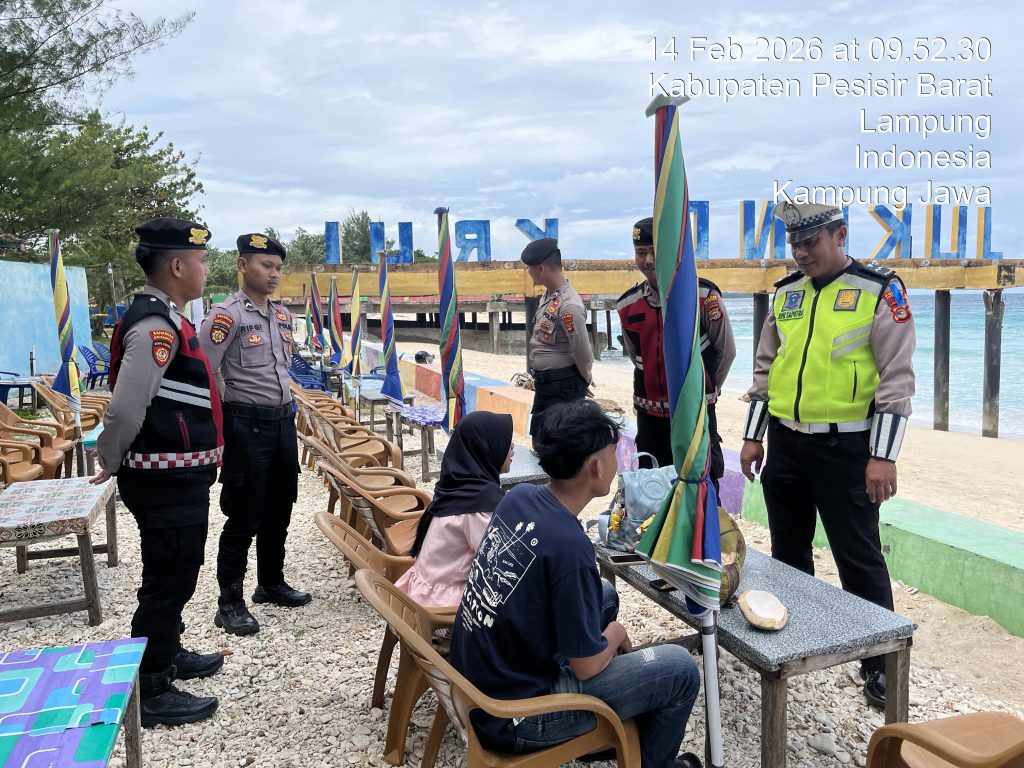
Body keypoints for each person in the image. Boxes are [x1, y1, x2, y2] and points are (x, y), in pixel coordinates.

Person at [450, 400, 702, 768]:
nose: (616, 463)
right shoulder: (571, 546)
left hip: (478, 681)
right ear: (596, 466)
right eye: (614, 454)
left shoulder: (519, 495)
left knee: (604, 595)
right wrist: (614, 634)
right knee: (680, 669)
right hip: (515, 715)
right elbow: (585, 668)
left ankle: (609, 730)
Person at [739, 201, 916, 710]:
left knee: (857, 556)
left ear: (840, 236)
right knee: (788, 552)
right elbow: (765, 372)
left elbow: (897, 381)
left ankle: (878, 663)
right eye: (794, 244)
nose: (800, 253)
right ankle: (792, 641)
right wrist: (754, 437)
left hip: (848, 448)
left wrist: (882, 457)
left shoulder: (881, 291)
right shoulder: (786, 294)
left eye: (810, 243)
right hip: (788, 444)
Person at [90, 217, 223, 727]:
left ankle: (169, 649)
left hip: (178, 476)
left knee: (176, 571)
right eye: (202, 260)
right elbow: (125, 409)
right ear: (176, 265)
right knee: (168, 577)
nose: (206, 268)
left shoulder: (169, 318)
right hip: (164, 479)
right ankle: (150, 685)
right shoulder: (155, 327)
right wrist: (109, 457)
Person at [200, 233, 309, 637]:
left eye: (279, 267)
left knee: (280, 507)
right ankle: (229, 602)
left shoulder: (282, 315)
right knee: (244, 514)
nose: (274, 274)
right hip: (246, 425)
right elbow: (204, 372)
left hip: (283, 423)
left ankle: (271, 582)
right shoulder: (226, 316)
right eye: (266, 265)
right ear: (243, 265)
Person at [616, 217, 736, 482]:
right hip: (650, 418)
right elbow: (635, 357)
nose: (647, 261)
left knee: (701, 483)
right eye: (640, 252)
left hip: (695, 415)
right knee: (652, 486)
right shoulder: (627, 305)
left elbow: (725, 352)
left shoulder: (703, 296)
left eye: (655, 252)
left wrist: (704, 390)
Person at [396, 411, 514, 608]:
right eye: (504, 441)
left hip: (421, 595)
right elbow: (500, 559)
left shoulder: (456, 486)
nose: (512, 447)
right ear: (485, 448)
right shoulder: (479, 503)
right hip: (440, 610)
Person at [521, 237, 594, 438]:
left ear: (540, 269)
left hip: (562, 387)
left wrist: (583, 380)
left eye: (529, 268)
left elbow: (583, 351)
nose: (528, 272)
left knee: (558, 443)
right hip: (548, 385)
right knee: (541, 440)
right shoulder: (549, 295)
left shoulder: (569, 305)